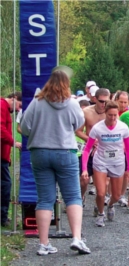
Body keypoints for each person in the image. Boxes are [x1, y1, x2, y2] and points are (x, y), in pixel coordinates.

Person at [20, 70, 90, 255]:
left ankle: (43, 244)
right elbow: (79, 124)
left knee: (45, 199)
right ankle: (76, 238)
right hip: (65, 152)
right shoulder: (73, 104)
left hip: (40, 153)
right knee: (73, 196)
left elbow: (25, 127)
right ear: (67, 84)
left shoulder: (37, 102)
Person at [81, 101, 129, 227]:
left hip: (117, 162)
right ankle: (100, 213)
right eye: (110, 115)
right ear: (105, 113)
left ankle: (110, 205)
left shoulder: (123, 128)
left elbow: (128, 149)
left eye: (115, 115)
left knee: (116, 195)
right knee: (100, 193)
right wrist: (84, 169)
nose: (113, 118)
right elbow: (87, 149)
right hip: (101, 162)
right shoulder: (97, 128)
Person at [76, 88, 110, 204]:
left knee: (104, 181)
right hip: (89, 150)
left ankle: (100, 202)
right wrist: (92, 141)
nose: (103, 104)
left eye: (106, 101)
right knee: (83, 179)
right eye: (101, 101)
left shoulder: (110, 113)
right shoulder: (86, 112)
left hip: (103, 150)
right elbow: (78, 131)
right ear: (95, 99)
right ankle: (80, 197)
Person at [1, 92, 22, 227]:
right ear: (14, 98)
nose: (19, 110)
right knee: (5, 185)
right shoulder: (1, 106)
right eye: (19, 105)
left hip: (3, 155)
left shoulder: (5, 109)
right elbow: (1, 129)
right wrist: (14, 142)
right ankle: (2, 217)